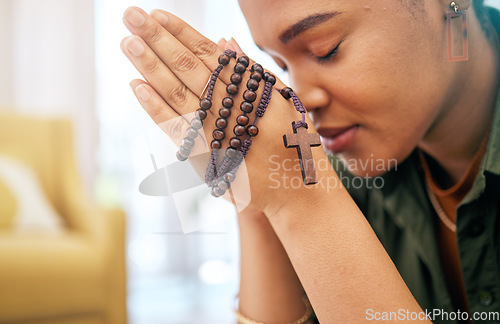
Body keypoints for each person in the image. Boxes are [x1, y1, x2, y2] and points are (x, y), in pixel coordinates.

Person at [121, 0, 500, 322]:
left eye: (326, 50)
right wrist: (257, 200)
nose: (299, 98)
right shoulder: (334, 163)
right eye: (282, 67)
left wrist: (305, 205)